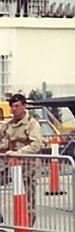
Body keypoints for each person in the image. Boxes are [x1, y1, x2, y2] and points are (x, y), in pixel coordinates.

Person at [0, 93, 45, 223]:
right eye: (12, 107)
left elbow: (36, 144)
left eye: (17, 106)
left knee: (28, 198)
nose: (14, 109)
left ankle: (27, 230)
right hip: (7, 165)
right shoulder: (7, 125)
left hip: (27, 166)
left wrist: (19, 152)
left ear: (24, 106)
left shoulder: (32, 124)